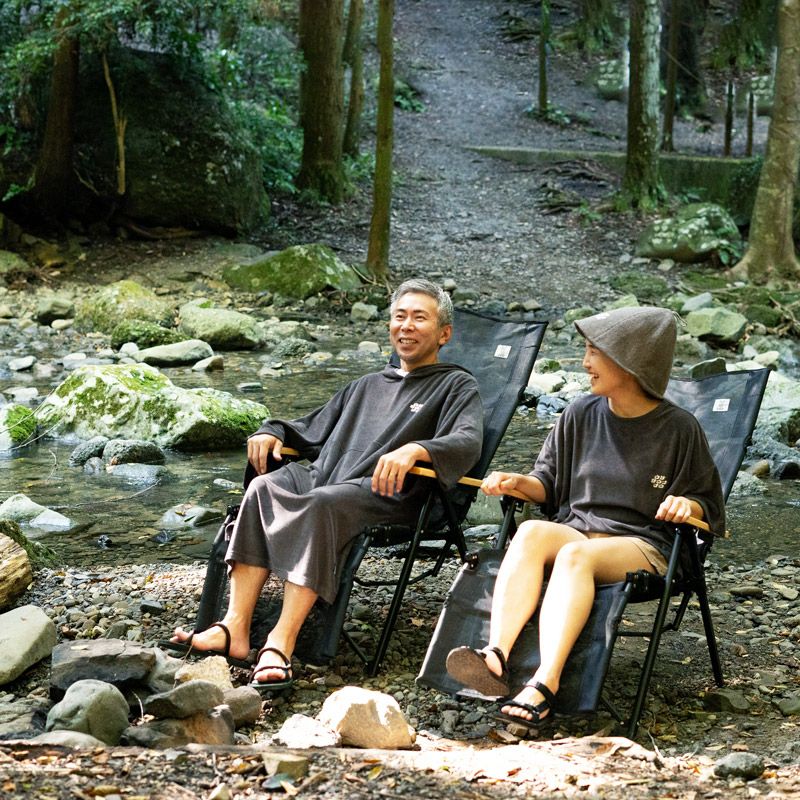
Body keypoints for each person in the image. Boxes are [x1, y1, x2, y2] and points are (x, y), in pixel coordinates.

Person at [169, 279, 483, 692]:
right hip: (330, 476)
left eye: (419, 318)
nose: (406, 326)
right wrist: (271, 430)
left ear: (444, 333)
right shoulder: (367, 385)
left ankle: (281, 641)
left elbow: (468, 441)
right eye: (399, 316)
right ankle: (235, 628)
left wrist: (418, 449)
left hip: (389, 493)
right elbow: (309, 427)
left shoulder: (457, 386)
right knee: (263, 488)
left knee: (320, 503)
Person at [445, 306, 724, 727]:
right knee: (532, 531)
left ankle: (545, 681)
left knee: (576, 557)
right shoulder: (579, 413)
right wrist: (518, 482)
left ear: (628, 362)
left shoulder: (679, 429)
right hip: (578, 533)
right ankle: (495, 655)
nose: (584, 362)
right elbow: (547, 483)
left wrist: (688, 505)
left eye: (594, 352)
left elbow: (707, 504)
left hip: (644, 544)